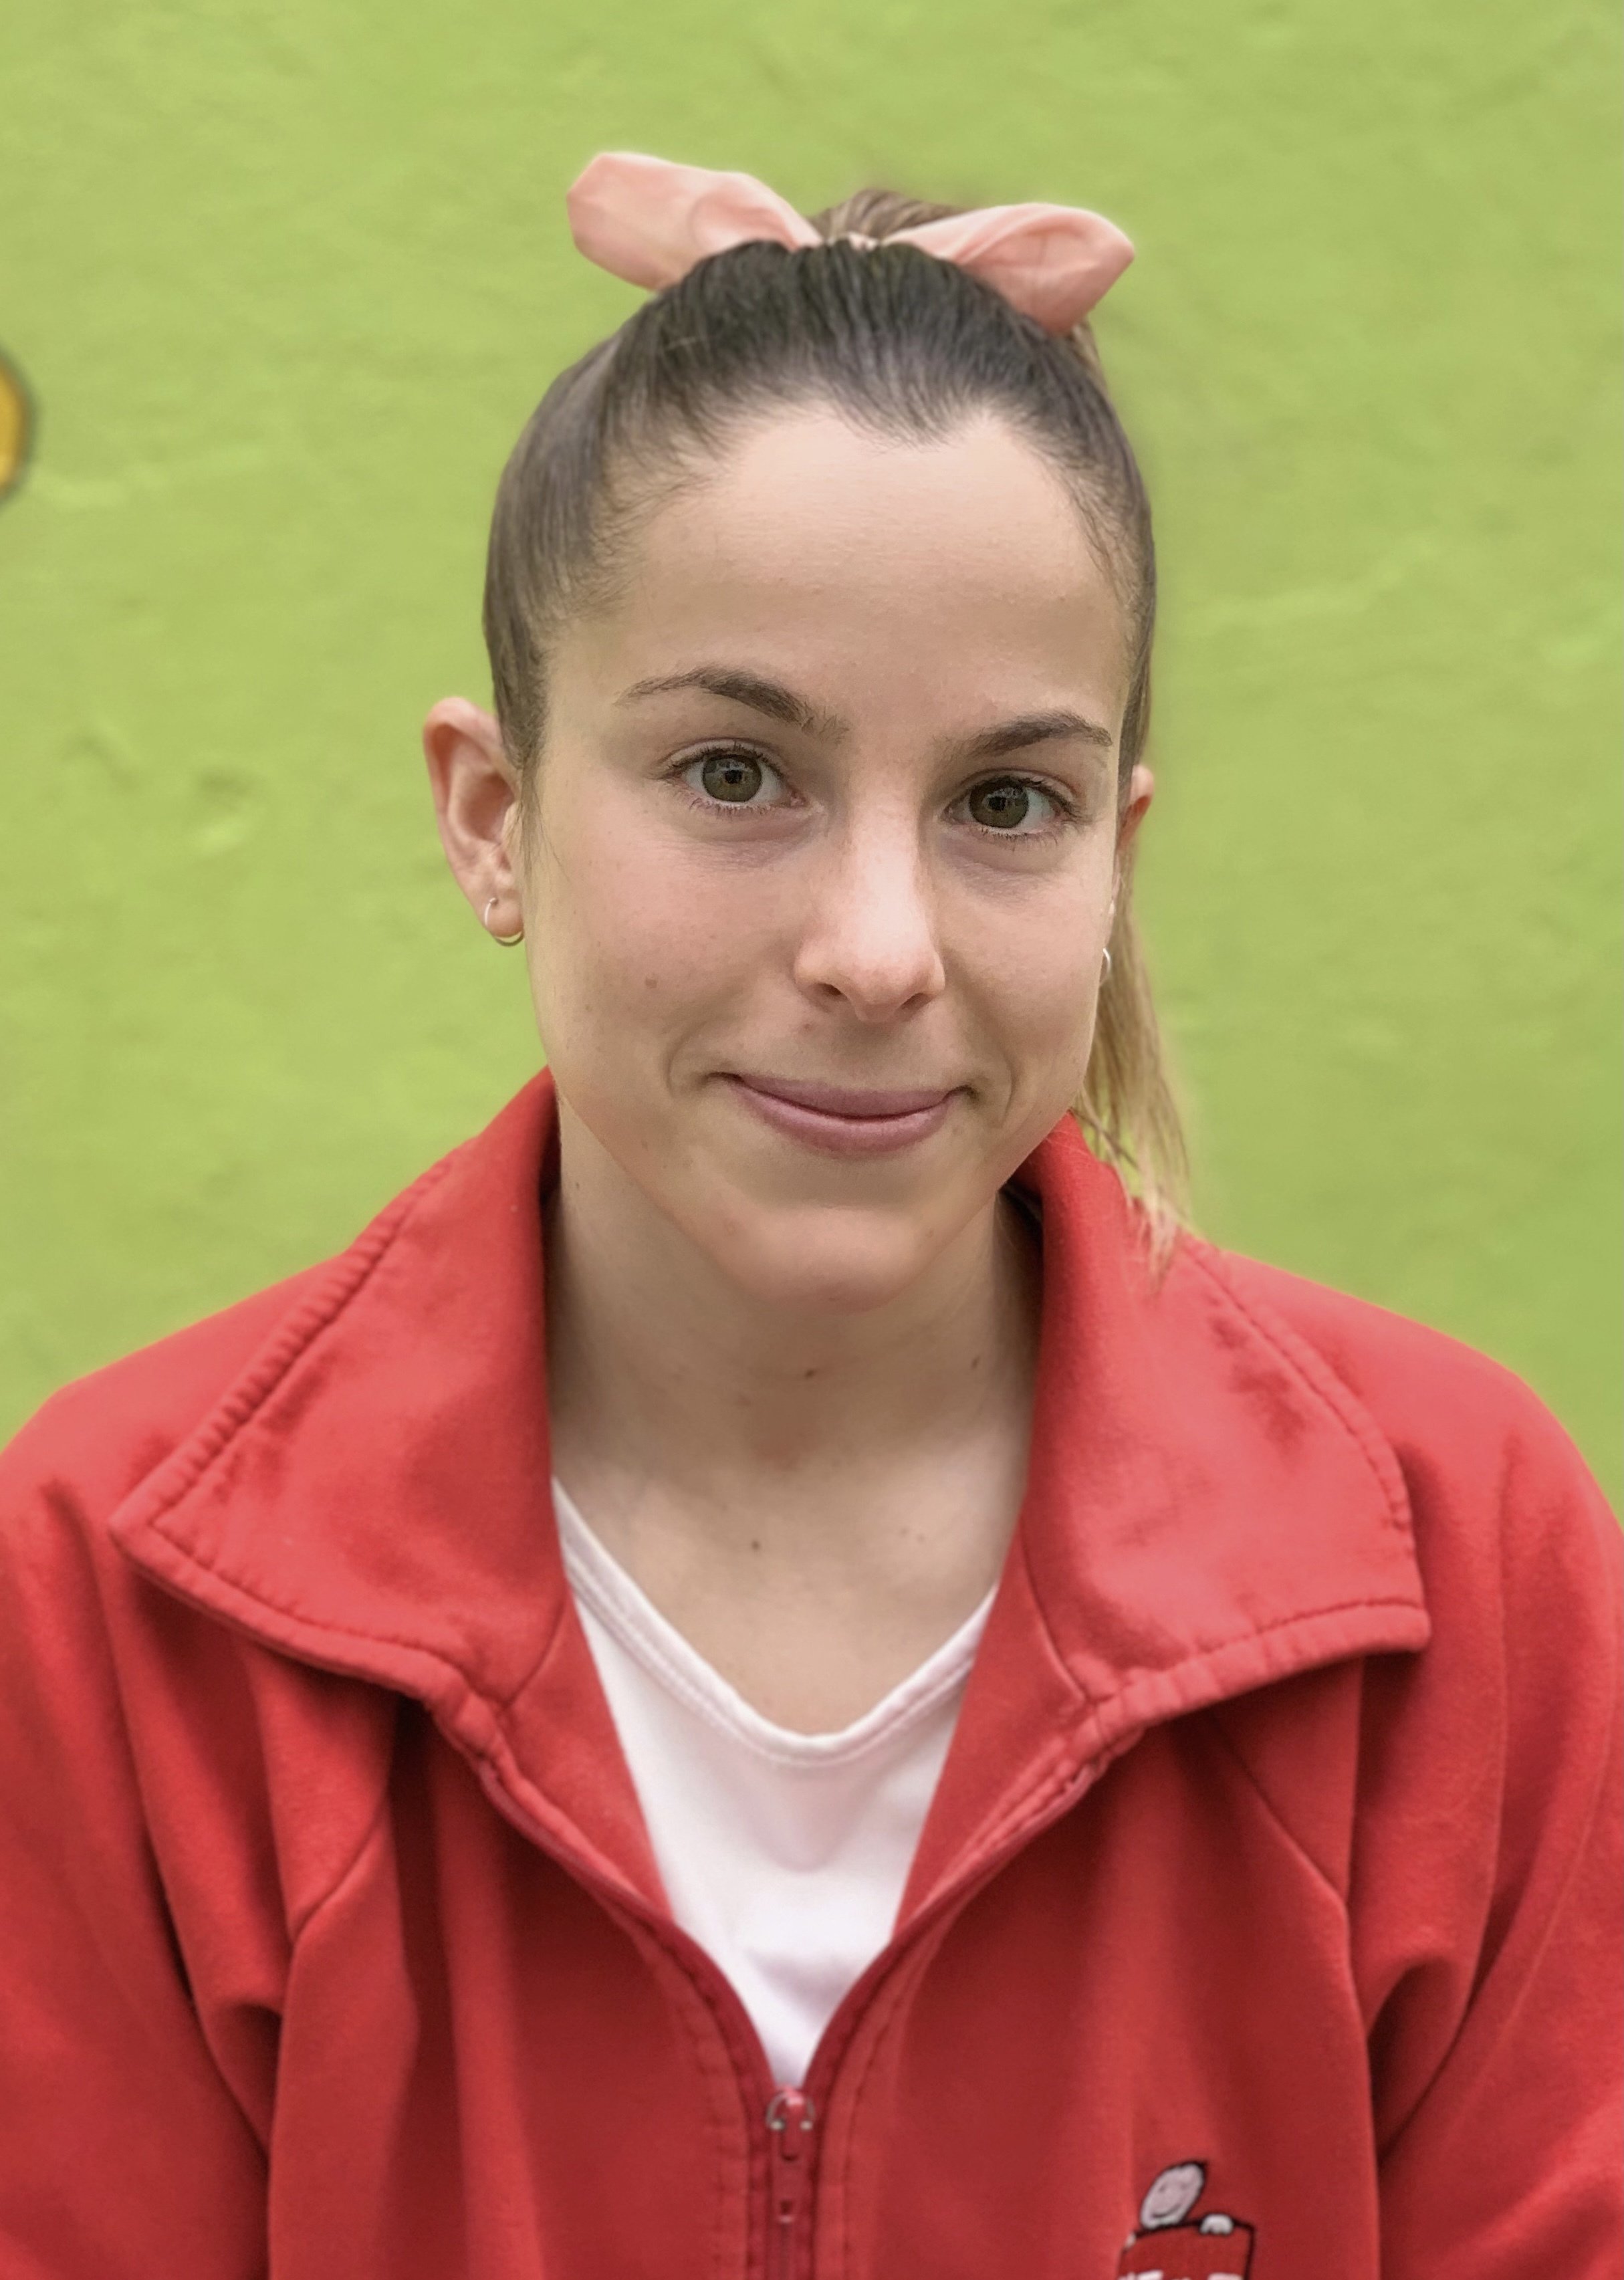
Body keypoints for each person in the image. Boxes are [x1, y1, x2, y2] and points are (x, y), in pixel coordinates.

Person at [0, 148, 1617, 2280]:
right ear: (492, 817)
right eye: (736, 775)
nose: (877, 948)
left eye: (1006, 802)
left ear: (1118, 857)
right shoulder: (120, 1597)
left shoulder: (1460, 1564)